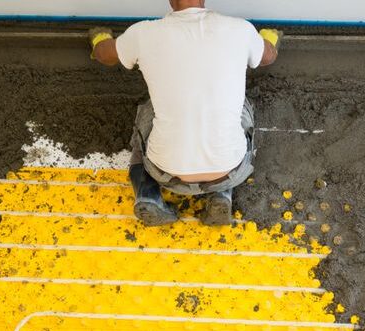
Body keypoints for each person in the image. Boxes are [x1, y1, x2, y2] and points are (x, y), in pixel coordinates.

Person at [89, 2, 281, 226]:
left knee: (148, 110)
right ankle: (222, 194)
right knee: (241, 107)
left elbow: (104, 55)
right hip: (230, 170)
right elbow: (268, 56)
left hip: (164, 172)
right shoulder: (241, 29)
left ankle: (147, 193)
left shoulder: (143, 33)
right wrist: (269, 38)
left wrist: (99, 38)